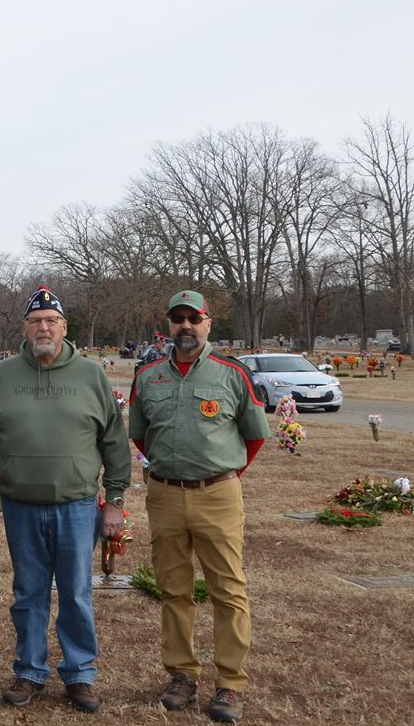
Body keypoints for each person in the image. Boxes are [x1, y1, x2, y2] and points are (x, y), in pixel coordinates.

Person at [0, 287, 128, 713]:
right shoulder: (3, 376)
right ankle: (29, 670)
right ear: (24, 329)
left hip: (77, 505)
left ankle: (80, 674)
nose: (43, 327)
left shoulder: (91, 375)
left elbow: (114, 442)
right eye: (35, 321)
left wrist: (114, 500)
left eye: (51, 320)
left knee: (77, 592)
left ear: (64, 327)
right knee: (28, 592)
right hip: (21, 504)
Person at [129, 290, 269, 724]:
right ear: (168, 325)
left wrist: (221, 477)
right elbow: (139, 435)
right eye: (178, 319)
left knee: (228, 590)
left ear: (208, 323)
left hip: (218, 495)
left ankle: (230, 683)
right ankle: (182, 675)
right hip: (165, 495)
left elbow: (255, 435)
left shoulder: (232, 373)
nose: (185, 326)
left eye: (194, 318)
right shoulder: (148, 375)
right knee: (174, 589)